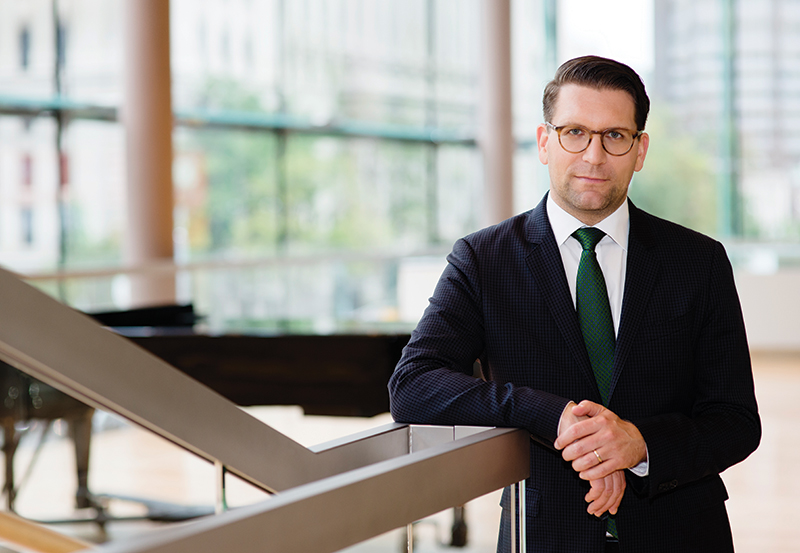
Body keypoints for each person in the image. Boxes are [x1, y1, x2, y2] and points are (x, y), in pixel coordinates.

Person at [388, 55, 760, 553]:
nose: (594, 155)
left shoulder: (698, 262)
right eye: (575, 133)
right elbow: (412, 385)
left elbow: (735, 420)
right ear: (545, 143)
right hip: (545, 535)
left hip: (681, 534)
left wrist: (639, 444)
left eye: (615, 136)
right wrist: (553, 415)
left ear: (640, 149)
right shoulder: (484, 259)